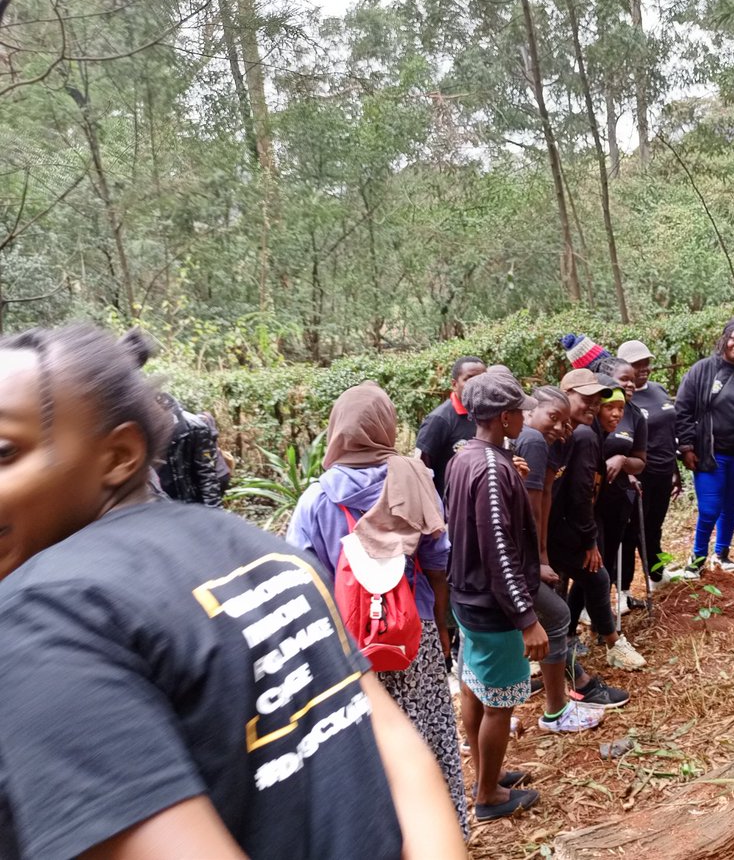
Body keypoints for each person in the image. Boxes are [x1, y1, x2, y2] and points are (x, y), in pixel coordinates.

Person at [0, 325, 465, 859]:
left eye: (4, 451)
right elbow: (402, 758)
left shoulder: (47, 619)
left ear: (119, 455)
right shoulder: (260, 554)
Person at [286, 382, 468, 835]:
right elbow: (440, 564)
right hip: (414, 631)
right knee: (428, 732)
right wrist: (441, 629)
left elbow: (302, 582)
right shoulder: (415, 479)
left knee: (369, 745)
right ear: (386, 426)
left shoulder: (316, 500)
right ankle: (444, 833)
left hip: (348, 646)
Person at [444, 371, 546, 821]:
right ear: (504, 418)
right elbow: (499, 549)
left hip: (466, 598)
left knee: (474, 686)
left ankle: (489, 771)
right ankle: (488, 795)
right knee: (499, 702)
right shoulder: (489, 468)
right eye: (519, 412)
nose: (523, 417)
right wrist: (527, 617)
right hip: (494, 606)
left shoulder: (468, 457)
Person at [512, 386, 626, 723]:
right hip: (519, 556)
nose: (560, 427)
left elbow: (545, 496)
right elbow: (534, 508)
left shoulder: (553, 441)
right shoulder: (533, 441)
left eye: (563, 422)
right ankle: (562, 703)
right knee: (557, 615)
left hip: (537, 548)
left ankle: (558, 689)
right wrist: (540, 560)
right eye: (554, 418)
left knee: (553, 615)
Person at [548, 369, 646, 670]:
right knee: (595, 575)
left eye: (596, 400)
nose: (593, 406)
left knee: (592, 578)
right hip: (564, 526)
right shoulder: (583, 435)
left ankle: (575, 641)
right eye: (587, 400)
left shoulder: (582, 433)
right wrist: (589, 539)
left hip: (567, 524)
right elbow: (580, 492)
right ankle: (610, 643)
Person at [675, 317, 734, 577]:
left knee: (731, 505)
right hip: (709, 452)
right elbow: (683, 408)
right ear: (724, 339)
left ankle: (722, 554)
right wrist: (686, 446)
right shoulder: (703, 369)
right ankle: (697, 558)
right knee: (710, 508)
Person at [616, 340, 680, 589]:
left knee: (654, 527)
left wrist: (675, 471)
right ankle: (624, 588)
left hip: (663, 473)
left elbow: (669, 431)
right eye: (636, 364)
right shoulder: (622, 401)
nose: (642, 368)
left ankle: (656, 575)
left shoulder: (659, 389)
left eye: (646, 363)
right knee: (631, 533)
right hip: (638, 475)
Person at [593, 361, 647, 613]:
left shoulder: (635, 415)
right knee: (592, 557)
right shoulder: (591, 412)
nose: (629, 384)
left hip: (618, 497)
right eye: (623, 378)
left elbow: (640, 462)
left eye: (633, 379)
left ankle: (605, 609)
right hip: (590, 499)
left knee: (608, 554)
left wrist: (623, 461)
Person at [415, 356, 487, 497]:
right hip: (449, 512)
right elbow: (420, 472)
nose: (478, 385)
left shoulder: (488, 415)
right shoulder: (439, 420)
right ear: (454, 384)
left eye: (483, 379)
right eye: (470, 379)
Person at [157, 392, 225, 507]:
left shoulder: (195, 428)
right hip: (159, 505)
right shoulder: (141, 428)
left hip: (189, 501)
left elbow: (206, 475)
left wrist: (214, 512)